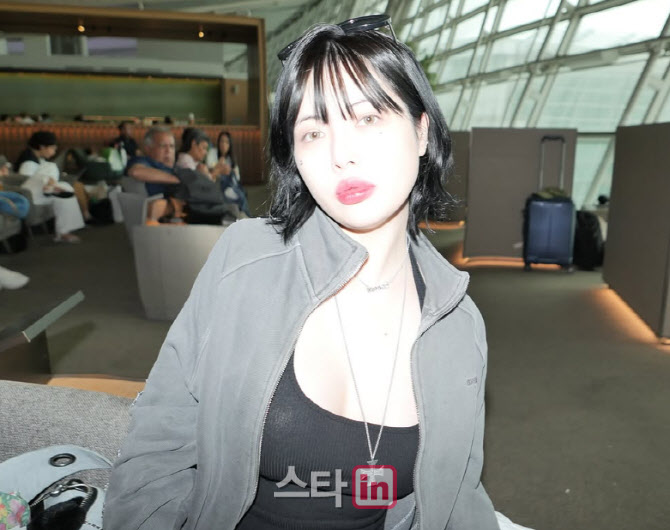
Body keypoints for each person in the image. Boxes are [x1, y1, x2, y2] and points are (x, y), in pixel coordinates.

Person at [106, 15, 526, 530]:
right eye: (313, 131)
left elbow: (458, 499)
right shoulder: (247, 260)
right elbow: (157, 450)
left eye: (367, 117)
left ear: (421, 131)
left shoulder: (457, 323)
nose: (340, 155)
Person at [16, 131, 84, 243]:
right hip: (31, 195)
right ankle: (64, 232)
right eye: (53, 148)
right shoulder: (27, 162)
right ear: (42, 147)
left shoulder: (38, 159)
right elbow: (26, 182)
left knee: (66, 188)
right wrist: (48, 180)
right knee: (53, 170)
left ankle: (64, 231)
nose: (54, 151)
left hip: (42, 191)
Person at [126, 126, 183, 220]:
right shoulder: (144, 161)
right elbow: (136, 172)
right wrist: (176, 179)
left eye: (172, 146)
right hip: (167, 215)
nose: (168, 151)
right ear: (148, 149)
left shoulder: (177, 168)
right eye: (163, 146)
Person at [209, 131, 252, 216]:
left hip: (231, 184)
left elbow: (237, 178)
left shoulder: (231, 159)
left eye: (227, 142)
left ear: (230, 145)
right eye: (222, 141)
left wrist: (231, 171)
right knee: (240, 196)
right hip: (218, 183)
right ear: (218, 142)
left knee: (241, 193)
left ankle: (245, 213)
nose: (223, 144)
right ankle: (246, 214)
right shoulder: (212, 152)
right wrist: (220, 165)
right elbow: (210, 171)